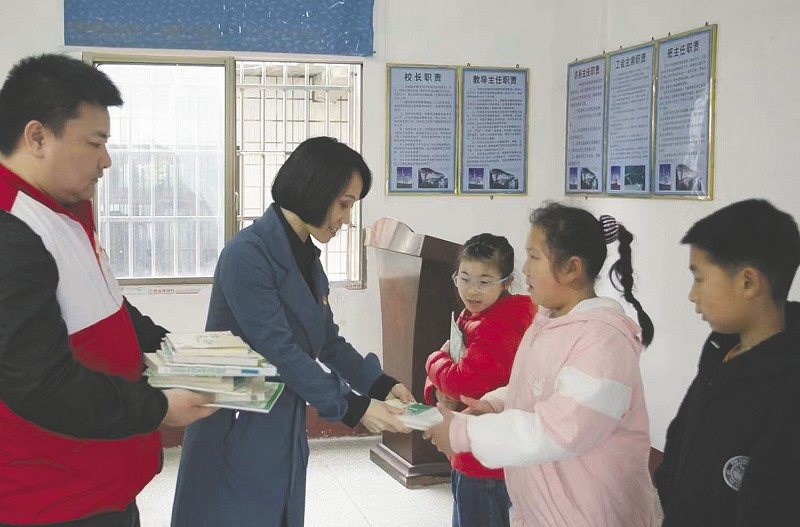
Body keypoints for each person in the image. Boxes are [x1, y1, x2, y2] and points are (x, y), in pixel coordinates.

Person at [0, 54, 216, 526]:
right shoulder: (11, 228)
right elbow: (39, 384)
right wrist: (160, 408)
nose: (106, 160)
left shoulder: (61, 210)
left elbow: (108, 304)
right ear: (37, 137)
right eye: (94, 143)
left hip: (100, 481)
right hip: (52, 500)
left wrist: (176, 351)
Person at [171, 136, 415, 527]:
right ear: (316, 190)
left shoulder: (304, 254)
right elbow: (280, 351)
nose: (346, 218)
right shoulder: (247, 254)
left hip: (279, 418)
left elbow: (327, 341)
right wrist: (355, 407)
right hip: (236, 419)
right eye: (345, 204)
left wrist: (380, 384)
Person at [425, 201, 657, 526]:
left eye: (534, 257)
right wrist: (494, 403)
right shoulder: (548, 319)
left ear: (571, 268)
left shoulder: (603, 343)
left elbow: (561, 429)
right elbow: (538, 386)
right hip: (545, 508)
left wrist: (464, 432)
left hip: (590, 515)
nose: (525, 271)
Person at [653, 199, 800, 526]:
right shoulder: (720, 352)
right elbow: (682, 441)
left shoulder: (789, 391)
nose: (692, 295)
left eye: (699, 278)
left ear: (748, 282)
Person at [424, 233, 536, 527]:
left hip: (485, 456)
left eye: (484, 282)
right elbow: (454, 371)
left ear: (507, 282)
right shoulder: (479, 314)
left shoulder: (497, 325)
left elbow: (463, 382)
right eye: (464, 278)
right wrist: (437, 389)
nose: (472, 290)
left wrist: (433, 359)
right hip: (476, 447)